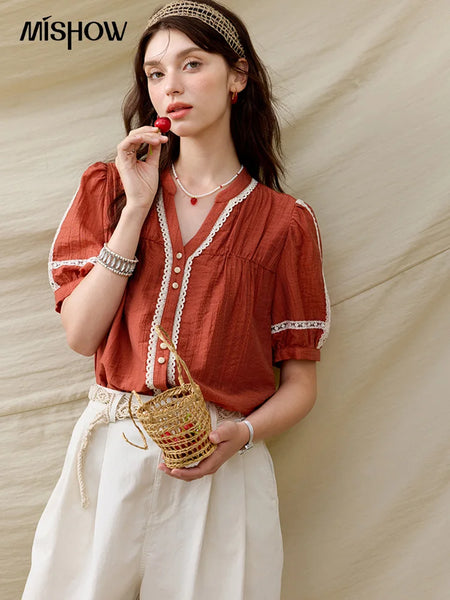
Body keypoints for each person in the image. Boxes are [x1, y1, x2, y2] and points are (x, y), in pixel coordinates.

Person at [23, 1, 330, 598]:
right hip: (111, 456)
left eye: (192, 64)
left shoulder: (285, 224)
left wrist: (241, 435)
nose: (171, 86)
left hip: (220, 466)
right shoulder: (110, 189)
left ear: (237, 76)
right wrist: (136, 208)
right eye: (155, 73)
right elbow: (82, 335)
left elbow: (300, 384)